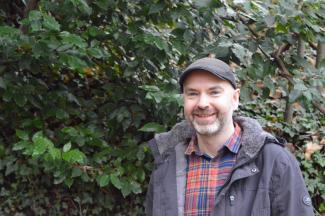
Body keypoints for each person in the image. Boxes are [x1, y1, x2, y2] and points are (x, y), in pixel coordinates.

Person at [145, 57, 314, 216]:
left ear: (235, 99)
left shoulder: (274, 161)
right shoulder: (166, 161)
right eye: (193, 94)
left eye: (214, 92)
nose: (202, 103)